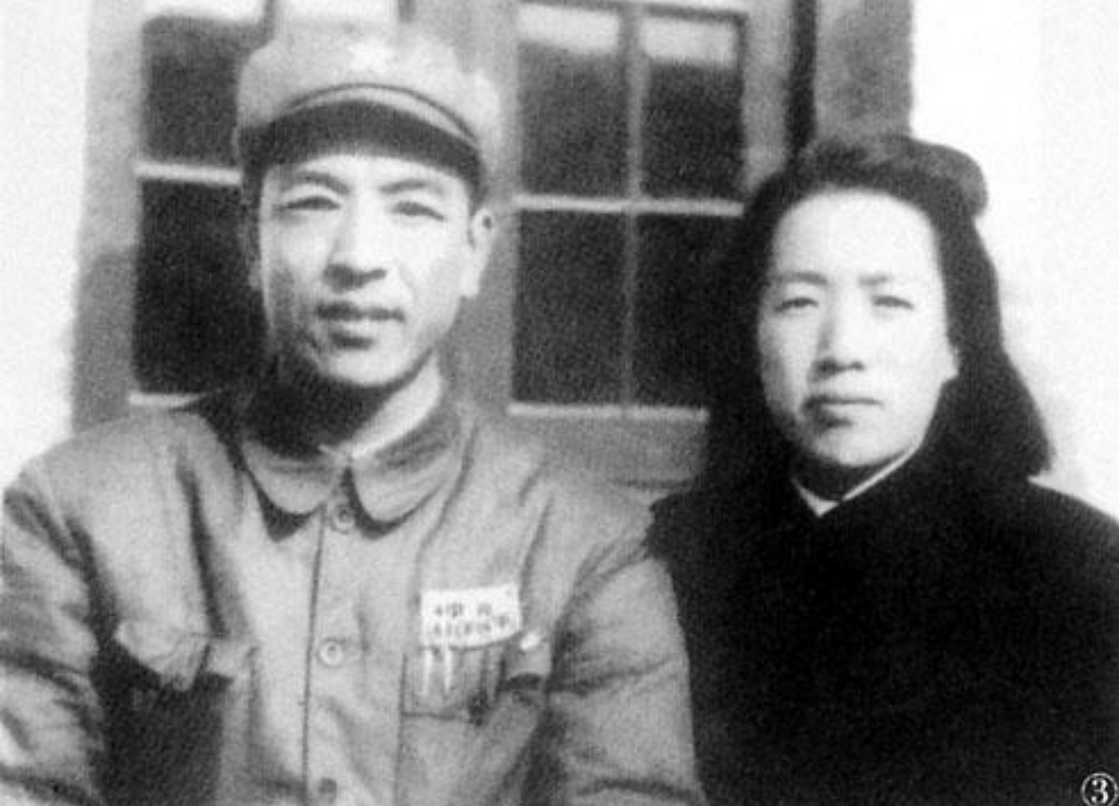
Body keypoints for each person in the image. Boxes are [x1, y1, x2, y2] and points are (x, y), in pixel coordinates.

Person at [0, 24, 702, 806]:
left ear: (475, 250)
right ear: (251, 240)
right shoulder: (78, 511)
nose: (359, 256)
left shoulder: (585, 544)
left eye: (412, 208)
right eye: (312, 203)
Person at [653, 134, 1119, 806]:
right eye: (799, 302)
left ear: (956, 342)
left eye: (890, 303)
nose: (843, 349)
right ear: (750, 333)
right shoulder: (664, 559)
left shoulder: (1079, 572)